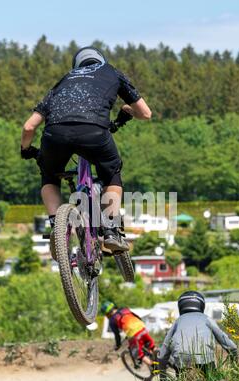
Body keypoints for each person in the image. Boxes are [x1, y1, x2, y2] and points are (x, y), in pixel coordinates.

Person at [20, 46, 152, 258]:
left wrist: (26, 150)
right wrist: (126, 113)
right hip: (94, 132)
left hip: (55, 134)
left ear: (76, 65)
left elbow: (29, 127)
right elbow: (145, 113)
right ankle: (110, 230)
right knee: (112, 174)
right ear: (101, 60)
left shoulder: (64, 80)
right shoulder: (112, 72)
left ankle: (57, 226)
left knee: (50, 176)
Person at [158, 291, 238, 381]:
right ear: (201, 305)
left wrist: (163, 379)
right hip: (206, 359)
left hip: (182, 360)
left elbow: (163, 353)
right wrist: (235, 368)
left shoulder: (178, 321)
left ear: (181, 306)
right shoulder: (207, 319)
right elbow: (231, 346)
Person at [101, 301, 156, 367]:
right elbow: (137, 316)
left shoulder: (112, 320)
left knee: (137, 353)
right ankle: (161, 358)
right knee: (151, 346)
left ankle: (153, 366)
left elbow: (117, 335)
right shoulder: (125, 309)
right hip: (141, 327)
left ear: (107, 314)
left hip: (132, 333)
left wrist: (118, 345)